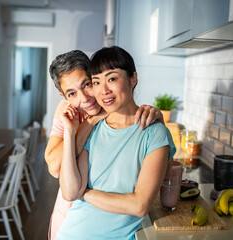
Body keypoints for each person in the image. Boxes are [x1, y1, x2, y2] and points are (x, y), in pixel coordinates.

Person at [56, 46, 176, 240]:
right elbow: (70, 192)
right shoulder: (92, 129)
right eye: (96, 82)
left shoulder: (155, 133)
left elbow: (139, 205)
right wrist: (70, 132)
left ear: (133, 79)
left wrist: (84, 193)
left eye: (112, 78)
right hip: (71, 233)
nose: (103, 90)